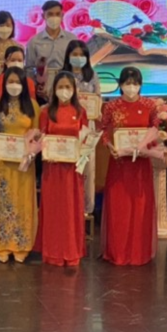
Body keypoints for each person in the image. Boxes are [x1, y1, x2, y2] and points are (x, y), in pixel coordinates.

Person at [100, 68, 167, 267]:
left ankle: (138, 252)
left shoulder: (149, 106)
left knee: (140, 207)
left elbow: (155, 130)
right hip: (119, 165)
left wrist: (148, 148)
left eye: (135, 83)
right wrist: (110, 146)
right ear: (120, 84)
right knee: (119, 207)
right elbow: (103, 131)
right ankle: (119, 252)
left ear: (140, 85)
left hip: (140, 165)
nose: (131, 87)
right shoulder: (111, 106)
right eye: (127, 83)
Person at [0, 67, 39, 263]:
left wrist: (31, 149)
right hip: (0, 163)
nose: (14, 85)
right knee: (1, 202)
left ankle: (21, 245)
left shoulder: (32, 106)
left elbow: (38, 133)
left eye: (18, 82)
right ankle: (1, 245)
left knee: (22, 202)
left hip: (23, 163)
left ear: (24, 84)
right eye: (10, 81)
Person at [36, 71, 88, 268]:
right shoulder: (45, 112)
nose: (64, 91)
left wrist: (82, 152)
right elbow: (41, 138)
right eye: (60, 87)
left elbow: (86, 140)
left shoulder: (80, 112)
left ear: (74, 90)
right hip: (53, 169)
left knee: (71, 210)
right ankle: (53, 252)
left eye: (68, 87)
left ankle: (71, 251)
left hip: (72, 170)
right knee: (54, 210)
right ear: (54, 89)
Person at [65, 39, 100, 219]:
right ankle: (68, 204)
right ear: (68, 56)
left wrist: (96, 110)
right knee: (68, 165)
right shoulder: (63, 76)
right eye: (75, 54)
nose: (78, 57)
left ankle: (86, 207)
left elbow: (98, 99)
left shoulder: (92, 76)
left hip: (88, 126)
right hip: (66, 125)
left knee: (87, 166)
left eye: (82, 55)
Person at [26, 0, 73, 101]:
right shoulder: (34, 41)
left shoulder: (71, 39)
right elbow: (29, 69)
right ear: (43, 16)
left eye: (57, 14)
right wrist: (35, 87)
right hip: (43, 90)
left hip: (66, 88)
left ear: (62, 15)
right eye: (50, 14)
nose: (54, 17)